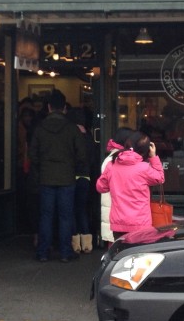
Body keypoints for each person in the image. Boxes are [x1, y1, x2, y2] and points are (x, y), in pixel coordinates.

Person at [28, 90, 88, 263]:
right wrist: (72, 167)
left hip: (46, 178)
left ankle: (43, 252)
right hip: (67, 178)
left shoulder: (40, 128)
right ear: (64, 108)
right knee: (65, 216)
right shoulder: (71, 129)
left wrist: (41, 169)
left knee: (46, 216)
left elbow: (33, 155)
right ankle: (65, 252)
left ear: (48, 107)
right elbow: (81, 154)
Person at [96, 131, 164, 239]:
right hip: (140, 223)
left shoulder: (111, 164)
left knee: (121, 254)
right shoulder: (144, 168)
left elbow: (101, 187)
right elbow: (160, 178)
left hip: (118, 224)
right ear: (146, 150)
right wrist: (154, 157)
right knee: (139, 254)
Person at [67, 107, 99, 254]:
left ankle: (75, 244)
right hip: (86, 177)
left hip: (71, 176)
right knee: (82, 209)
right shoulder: (90, 137)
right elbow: (92, 159)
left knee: (71, 209)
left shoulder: (71, 135)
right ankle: (87, 244)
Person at [98, 128, 134, 248]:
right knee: (117, 247)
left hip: (115, 212)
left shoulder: (112, 158)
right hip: (116, 212)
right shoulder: (115, 160)